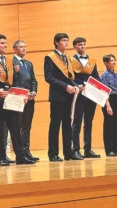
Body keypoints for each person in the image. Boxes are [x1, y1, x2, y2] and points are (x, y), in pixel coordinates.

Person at [0, 34, 35, 166]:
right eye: (2, 43)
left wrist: (21, 95)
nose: (5, 45)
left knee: (15, 126)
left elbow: (15, 80)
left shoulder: (9, 60)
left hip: (10, 94)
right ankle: (1, 156)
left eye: (6, 43)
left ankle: (20, 156)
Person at [44, 33, 80, 162]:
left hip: (69, 95)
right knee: (55, 125)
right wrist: (65, 86)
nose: (66, 43)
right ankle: (53, 153)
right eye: (64, 40)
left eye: (67, 40)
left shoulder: (67, 58)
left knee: (67, 125)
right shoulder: (50, 57)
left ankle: (68, 152)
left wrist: (76, 86)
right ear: (56, 42)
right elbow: (49, 78)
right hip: (57, 95)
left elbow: (69, 77)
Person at [69, 37, 101, 159]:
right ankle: (75, 150)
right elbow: (70, 77)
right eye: (79, 44)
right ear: (75, 47)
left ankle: (88, 149)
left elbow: (96, 77)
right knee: (77, 122)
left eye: (84, 44)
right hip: (79, 94)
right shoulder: (71, 60)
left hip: (91, 95)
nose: (82, 46)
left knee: (89, 122)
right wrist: (77, 85)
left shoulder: (92, 61)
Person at [12, 40, 39, 161]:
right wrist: (24, 92)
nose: (24, 48)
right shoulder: (11, 62)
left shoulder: (29, 63)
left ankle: (27, 151)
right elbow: (14, 81)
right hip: (18, 98)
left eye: (25, 46)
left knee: (27, 126)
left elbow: (33, 80)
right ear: (15, 49)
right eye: (21, 47)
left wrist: (33, 91)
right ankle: (20, 153)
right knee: (18, 126)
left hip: (30, 98)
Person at [100, 54, 117, 157]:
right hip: (108, 101)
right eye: (111, 61)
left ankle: (115, 148)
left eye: (114, 60)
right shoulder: (104, 75)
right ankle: (109, 150)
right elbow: (104, 91)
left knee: (116, 125)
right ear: (106, 63)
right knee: (109, 126)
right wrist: (107, 105)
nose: (114, 62)